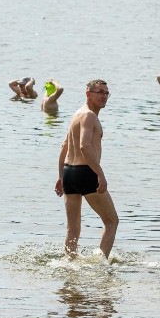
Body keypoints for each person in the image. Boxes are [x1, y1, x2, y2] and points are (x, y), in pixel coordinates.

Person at [54, 79, 119, 259]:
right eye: (99, 92)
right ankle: (100, 264)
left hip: (69, 173)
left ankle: (70, 263)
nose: (104, 96)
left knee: (72, 228)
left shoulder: (77, 114)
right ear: (88, 94)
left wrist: (61, 176)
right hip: (86, 172)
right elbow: (84, 146)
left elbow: (64, 146)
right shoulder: (89, 116)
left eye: (106, 93)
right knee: (112, 221)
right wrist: (100, 174)